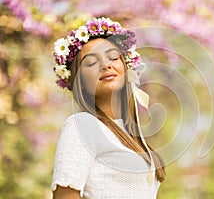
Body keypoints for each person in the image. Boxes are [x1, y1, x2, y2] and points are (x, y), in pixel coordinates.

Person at [50, 17, 166, 199]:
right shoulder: (81, 126)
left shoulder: (131, 134)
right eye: (91, 62)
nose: (106, 64)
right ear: (79, 82)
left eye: (113, 57)